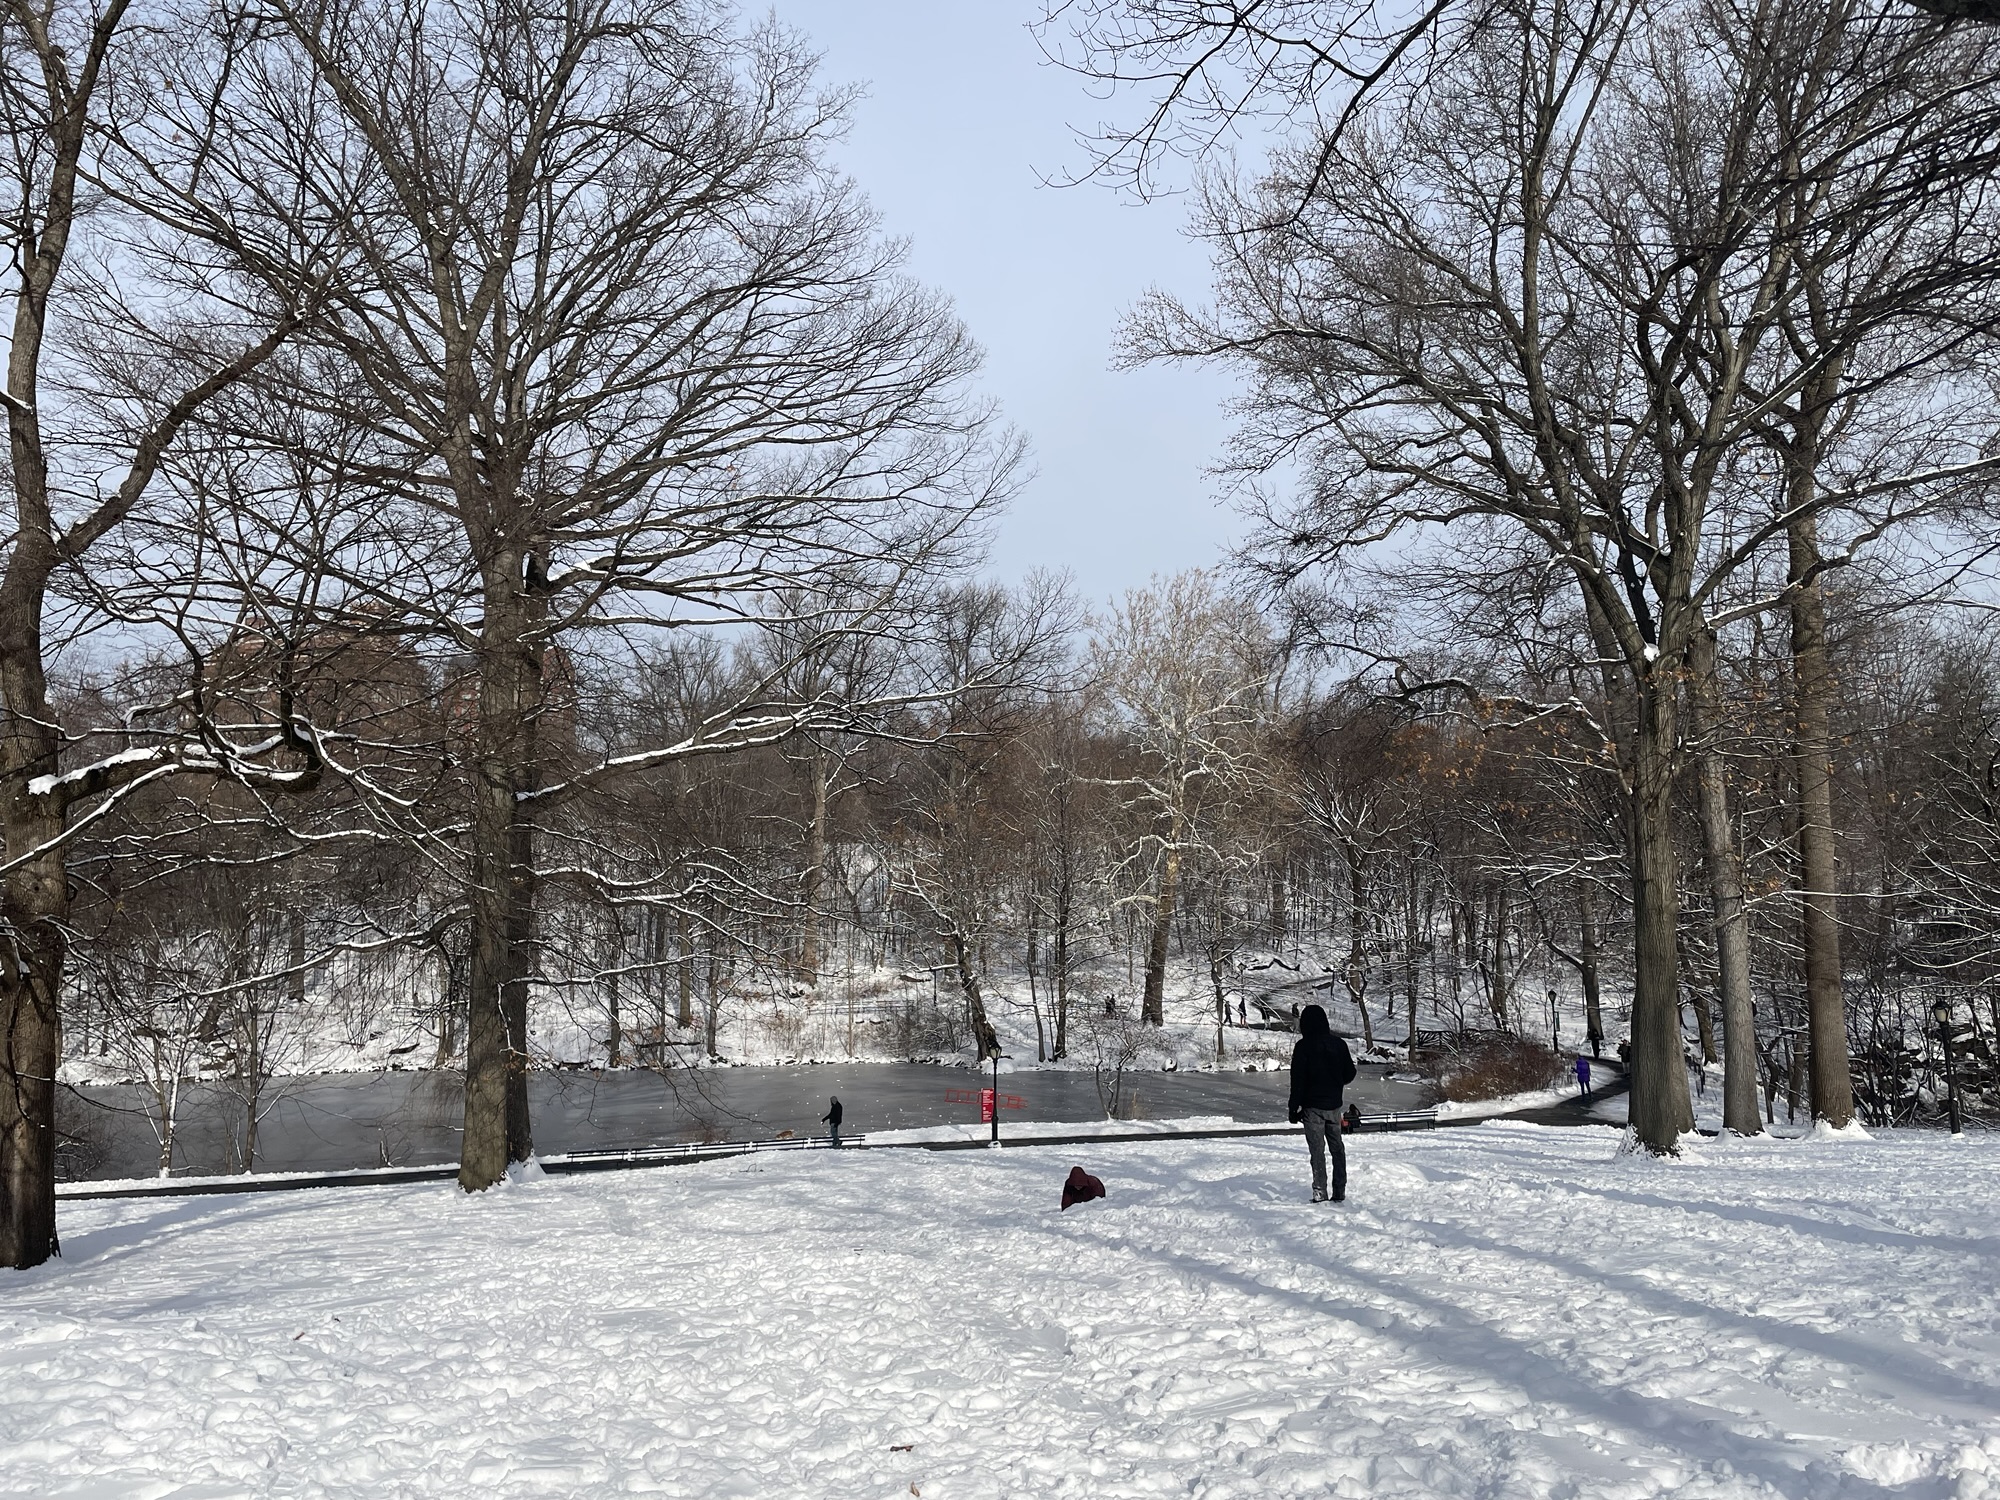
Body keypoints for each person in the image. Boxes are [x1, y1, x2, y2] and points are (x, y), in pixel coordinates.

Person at [1287, 1003, 1358, 1203]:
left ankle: (1320, 1192)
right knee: (1337, 1149)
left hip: (1312, 1108)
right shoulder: (1339, 1044)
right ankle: (1339, 1191)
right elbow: (1350, 1073)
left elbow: (1297, 1081)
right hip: (1334, 1106)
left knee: (1317, 1152)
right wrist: (1336, 1082)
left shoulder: (1303, 1047)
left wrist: (1293, 1108)